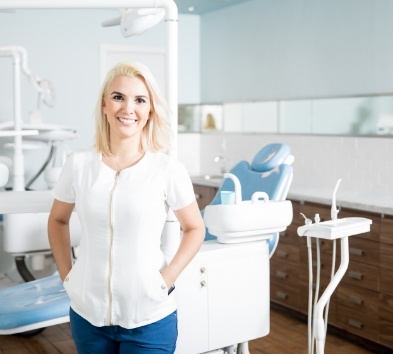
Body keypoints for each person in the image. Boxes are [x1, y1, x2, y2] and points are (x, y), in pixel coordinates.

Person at [48, 61, 205, 354]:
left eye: (140, 100)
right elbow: (58, 220)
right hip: (88, 315)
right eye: (119, 97)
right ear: (105, 105)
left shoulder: (167, 169)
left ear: (149, 111)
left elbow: (195, 228)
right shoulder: (79, 165)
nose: (128, 108)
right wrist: (68, 276)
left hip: (150, 317)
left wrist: (165, 281)